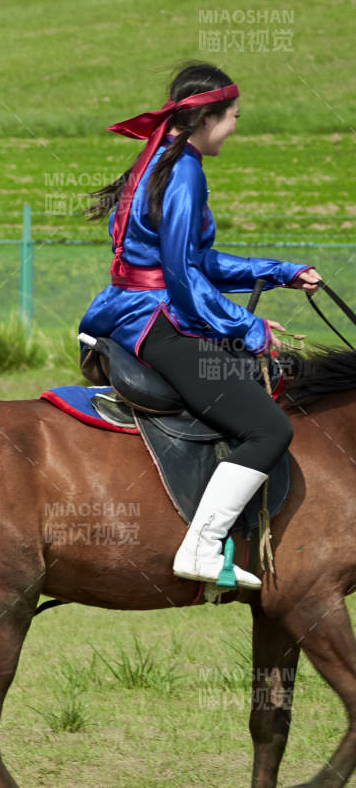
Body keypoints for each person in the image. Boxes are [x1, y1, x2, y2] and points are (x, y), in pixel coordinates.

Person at [80, 62, 321, 588]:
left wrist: (279, 272)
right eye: (232, 117)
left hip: (125, 312)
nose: (234, 127)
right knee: (268, 429)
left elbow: (194, 261)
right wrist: (247, 328)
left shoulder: (159, 156)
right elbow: (183, 276)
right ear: (207, 117)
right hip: (155, 321)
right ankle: (204, 546)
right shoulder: (185, 171)